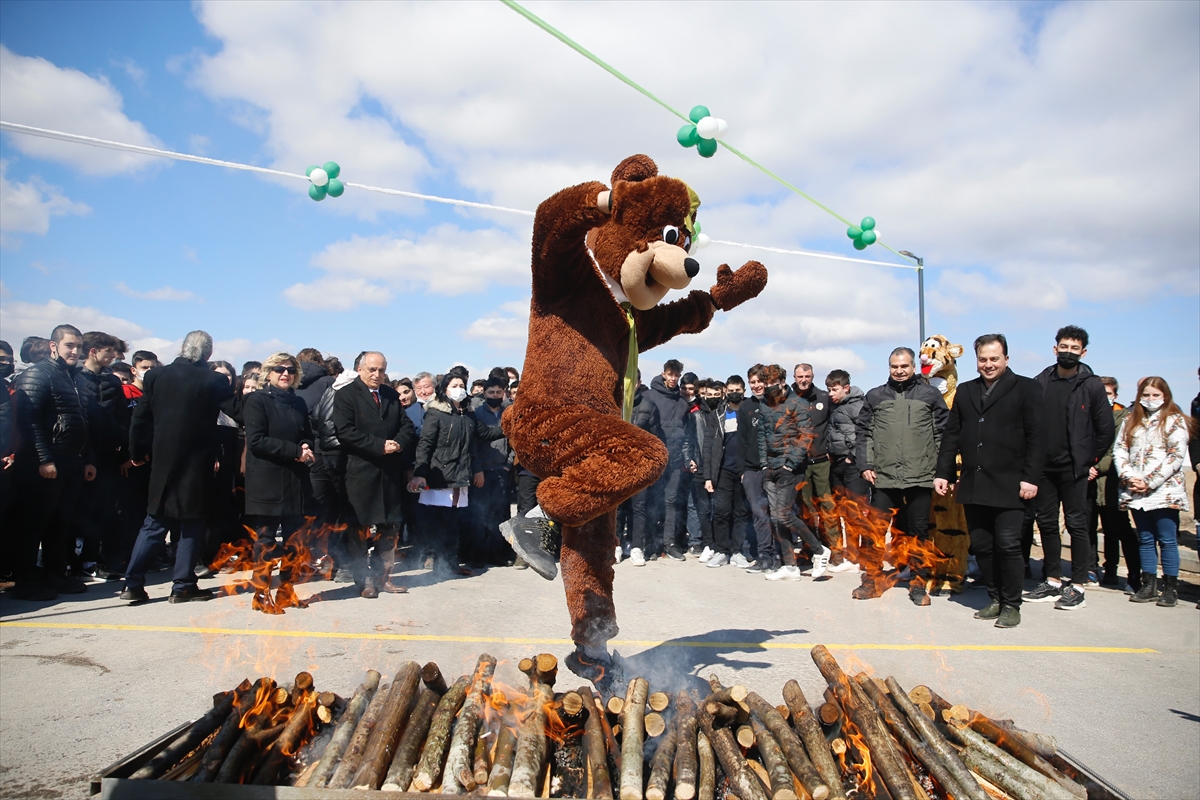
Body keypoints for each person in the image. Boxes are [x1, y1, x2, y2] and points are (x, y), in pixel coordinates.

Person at [935, 334, 1045, 629]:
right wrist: (944, 472)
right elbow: (952, 436)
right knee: (982, 545)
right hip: (975, 482)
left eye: (994, 359)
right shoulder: (967, 391)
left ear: (1006, 359)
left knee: (1008, 545)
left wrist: (1031, 478)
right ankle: (995, 598)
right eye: (983, 359)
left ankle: (1012, 604)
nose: (988, 364)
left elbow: (1037, 437)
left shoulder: (1027, 389)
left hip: (1012, 484)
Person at [120, 331, 238, 604]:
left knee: (154, 523)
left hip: (163, 463)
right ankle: (183, 584)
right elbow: (236, 411)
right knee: (192, 524)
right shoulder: (214, 379)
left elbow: (140, 417)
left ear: (183, 349)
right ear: (208, 354)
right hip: (197, 464)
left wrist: (137, 452)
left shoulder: (156, 376)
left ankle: (133, 583)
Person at [1024, 325, 1114, 611]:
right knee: (1047, 523)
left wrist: (1090, 460)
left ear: (1083, 352)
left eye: (1074, 348)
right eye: (1064, 347)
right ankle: (1052, 580)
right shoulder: (1041, 381)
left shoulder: (1092, 385)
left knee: (1077, 524)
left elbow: (1105, 430)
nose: (1068, 352)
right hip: (1044, 469)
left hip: (1075, 469)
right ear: (1055, 349)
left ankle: (1076, 585)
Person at [854, 346, 949, 604]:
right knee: (875, 531)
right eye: (895, 366)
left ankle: (918, 584)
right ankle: (871, 580)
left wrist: (942, 470)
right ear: (889, 368)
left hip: (920, 475)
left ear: (913, 367)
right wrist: (866, 465)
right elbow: (864, 433)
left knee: (919, 532)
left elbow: (943, 434)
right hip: (884, 477)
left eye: (904, 366)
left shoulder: (929, 395)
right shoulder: (875, 396)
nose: (899, 371)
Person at [11, 324, 96, 600]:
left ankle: (55, 574)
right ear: (53, 345)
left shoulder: (78, 378)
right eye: (70, 345)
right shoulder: (37, 375)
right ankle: (25, 580)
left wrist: (87, 459)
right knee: (33, 522)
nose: (75, 351)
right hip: (44, 464)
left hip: (72, 461)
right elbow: (28, 423)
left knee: (60, 522)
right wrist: (44, 459)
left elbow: (85, 423)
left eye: (78, 346)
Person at [333, 351, 415, 598]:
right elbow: (345, 431)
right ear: (360, 369)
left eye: (381, 370)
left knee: (389, 528)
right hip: (360, 472)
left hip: (389, 474)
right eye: (372, 370)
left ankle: (384, 578)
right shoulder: (346, 395)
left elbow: (406, 425)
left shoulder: (390, 395)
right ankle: (363, 581)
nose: (377, 375)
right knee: (359, 530)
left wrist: (398, 444)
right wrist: (379, 446)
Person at [407, 369, 504, 574]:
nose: (459, 390)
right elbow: (425, 445)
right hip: (440, 475)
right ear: (444, 390)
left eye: (461, 386)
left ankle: (450, 563)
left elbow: (481, 437)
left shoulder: (468, 413)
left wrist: (510, 425)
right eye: (454, 386)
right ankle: (440, 564)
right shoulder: (436, 412)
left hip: (460, 475)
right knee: (439, 522)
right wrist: (420, 472)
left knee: (454, 522)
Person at [242, 352, 317, 613]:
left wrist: (307, 445)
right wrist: (295, 451)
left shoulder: (298, 403)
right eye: (279, 369)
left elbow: (308, 433)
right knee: (265, 540)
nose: (285, 373)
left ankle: (287, 589)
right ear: (268, 373)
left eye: (290, 370)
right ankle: (261, 593)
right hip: (267, 481)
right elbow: (257, 440)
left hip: (295, 481)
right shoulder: (256, 400)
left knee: (294, 540)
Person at [1115, 377, 1193, 608]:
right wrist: (1129, 476)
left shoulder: (1174, 420)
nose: (1150, 400)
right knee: (1146, 538)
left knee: (1167, 539)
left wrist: (1150, 481)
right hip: (1136, 490)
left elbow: (1175, 456)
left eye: (1155, 395)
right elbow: (1120, 449)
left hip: (1163, 490)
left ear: (1165, 396)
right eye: (1146, 395)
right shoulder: (1131, 420)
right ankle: (1148, 584)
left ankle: (1170, 586)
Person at [757, 365, 831, 580]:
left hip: (791, 468)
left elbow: (806, 436)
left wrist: (790, 464)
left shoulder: (798, 403)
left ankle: (819, 550)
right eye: (766, 384)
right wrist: (764, 464)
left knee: (784, 514)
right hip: (770, 467)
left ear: (782, 381)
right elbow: (762, 436)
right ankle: (790, 566)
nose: (769, 388)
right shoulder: (764, 405)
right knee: (776, 518)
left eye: (773, 383)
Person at [76, 331, 130, 579]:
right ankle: (73, 562)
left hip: (107, 455)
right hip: (79, 453)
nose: (113, 356)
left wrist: (122, 445)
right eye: (108, 350)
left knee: (104, 510)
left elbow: (121, 417)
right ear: (93, 351)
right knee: (78, 511)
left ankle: (94, 560)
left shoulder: (112, 382)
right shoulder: (74, 377)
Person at [1093, 378, 1141, 591]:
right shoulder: (1089, 416)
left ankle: (1134, 574)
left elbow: (1117, 450)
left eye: (1109, 394)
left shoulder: (1124, 419)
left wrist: (1093, 466)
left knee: (1119, 528)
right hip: (1092, 482)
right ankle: (1098, 569)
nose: (1105, 398)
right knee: (1090, 528)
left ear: (1115, 396)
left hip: (1113, 481)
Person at [792, 363, 841, 566]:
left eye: (807, 376)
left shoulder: (823, 398)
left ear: (812, 376)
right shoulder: (787, 399)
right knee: (805, 509)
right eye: (800, 376)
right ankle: (810, 549)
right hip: (799, 464)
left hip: (822, 463)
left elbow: (835, 424)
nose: (804, 380)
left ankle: (836, 550)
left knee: (828, 506)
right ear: (794, 377)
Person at [643, 359, 690, 560]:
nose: (673, 378)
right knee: (652, 502)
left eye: (676, 375)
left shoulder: (682, 403)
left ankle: (669, 544)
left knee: (672, 502)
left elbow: (686, 433)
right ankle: (651, 544)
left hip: (675, 460)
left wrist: (686, 457)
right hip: (655, 460)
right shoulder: (650, 396)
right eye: (670, 374)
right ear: (664, 373)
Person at [825, 369, 868, 571]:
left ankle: (858, 556)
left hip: (852, 465)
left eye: (834, 390)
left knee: (856, 512)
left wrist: (852, 456)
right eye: (829, 390)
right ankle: (848, 554)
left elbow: (864, 434)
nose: (831, 394)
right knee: (843, 511)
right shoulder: (836, 407)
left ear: (846, 388)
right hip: (837, 464)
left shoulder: (857, 406)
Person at [706, 376, 749, 568]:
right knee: (721, 512)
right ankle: (721, 550)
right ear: (726, 391)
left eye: (738, 390)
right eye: (731, 390)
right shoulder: (718, 414)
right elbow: (708, 446)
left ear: (744, 391)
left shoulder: (749, 412)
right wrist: (708, 476)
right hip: (722, 470)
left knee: (740, 512)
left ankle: (737, 551)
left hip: (744, 471)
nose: (734, 393)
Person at [471, 376, 515, 567]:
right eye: (491, 392)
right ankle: (479, 555)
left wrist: (508, 465)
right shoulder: (477, 413)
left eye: (498, 392)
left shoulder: (509, 413)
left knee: (499, 515)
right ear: (484, 393)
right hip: (481, 471)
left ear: (503, 393)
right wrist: (477, 469)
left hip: (502, 470)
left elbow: (515, 442)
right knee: (478, 515)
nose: (495, 396)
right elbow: (472, 444)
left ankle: (497, 554)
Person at [737, 364, 773, 569]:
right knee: (758, 513)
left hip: (775, 468)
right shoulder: (746, 407)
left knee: (777, 513)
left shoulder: (777, 403)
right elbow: (741, 441)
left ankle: (782, 556)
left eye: (760, 381)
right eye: (753, 382)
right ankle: (764, 556)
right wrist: (743, 471)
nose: (757, 385)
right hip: (752, 469)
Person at [627, 371, 665, 566]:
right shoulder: (616, 404)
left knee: (639, 508)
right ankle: (616, 545)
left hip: (640, 465)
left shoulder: (648, 406)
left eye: (633, 380)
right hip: (618, 465)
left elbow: (657, 438)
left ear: (639, 382)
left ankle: (636, 547)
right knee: (617, 508)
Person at [683, 378, 720, 561]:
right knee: (702, 508)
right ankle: (706, 543)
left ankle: (720, 544)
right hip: (700, 466)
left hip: (720, 468)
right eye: (706, 394)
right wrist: (689, 459)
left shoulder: (723, 414)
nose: (709, 398)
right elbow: (689, 440)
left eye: (713, 394)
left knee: (719, 508)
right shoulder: (696, 415)